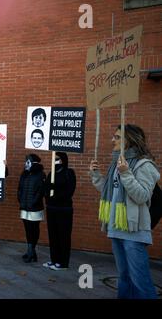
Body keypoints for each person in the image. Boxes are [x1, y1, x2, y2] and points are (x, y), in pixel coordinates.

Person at [89, 124, 159, 299]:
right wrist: (96, 175)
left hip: (133, 232)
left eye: (117, 137)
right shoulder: (116, 165)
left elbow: (142, 196)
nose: (112, 139)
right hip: (116, 228)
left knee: (140, 282)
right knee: (125, 278)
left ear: (129, 140)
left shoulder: (145, 165)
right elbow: (109, 192)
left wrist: (126, 173)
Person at [43, 152, 76, 270]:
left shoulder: (69, 173)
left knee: (63, 235)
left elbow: (69, 190)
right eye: (54, 159)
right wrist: (48, 196)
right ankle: (54, 259)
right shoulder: (52, 173)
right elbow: (46, 188)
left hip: (64, 209)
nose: (55, 161)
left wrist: (55, 192)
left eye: (57, 159)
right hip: (51, 208)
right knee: (53, 235)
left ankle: (63, 262)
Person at [17, 154, 45, 263]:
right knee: (27, 229)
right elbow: (20, 188)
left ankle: (31, 251)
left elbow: (41, 191)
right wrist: (20, 198)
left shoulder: (41, 174)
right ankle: (30, 251)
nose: (26, 163)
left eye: (28, 161)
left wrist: (34, 202)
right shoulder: (24, 174)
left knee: (34, 229)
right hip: (24, 207)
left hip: (35, 208)